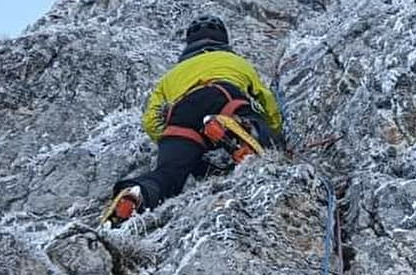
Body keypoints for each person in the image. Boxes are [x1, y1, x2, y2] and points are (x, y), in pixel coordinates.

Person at [105, 15, 284, 224]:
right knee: (255, 122)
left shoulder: (170, 76)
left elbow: (151, 120)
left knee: (168, 175)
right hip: (223, 97)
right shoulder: (237, 62)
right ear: (223, 41)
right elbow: (266, 99)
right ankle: (241, 128)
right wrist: (273, 129)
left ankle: (138, 194)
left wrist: (171, 142)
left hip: (180, 115)